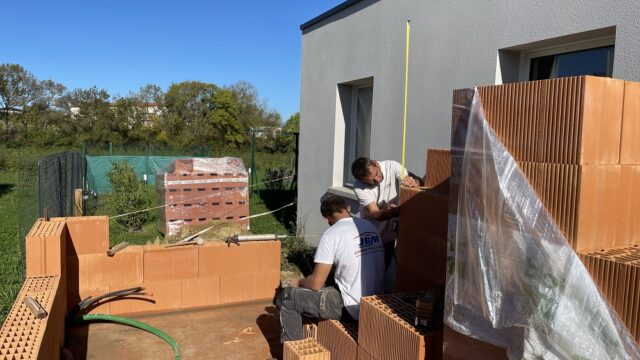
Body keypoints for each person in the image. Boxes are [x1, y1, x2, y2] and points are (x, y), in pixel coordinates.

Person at [276, 195, 385, 342]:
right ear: (348, 208)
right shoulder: (370, 227)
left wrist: (300, 282)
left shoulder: (331, 235)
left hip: (352, 309)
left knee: (286, 298)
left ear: (326, 219)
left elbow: (315, 284)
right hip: (377, 305)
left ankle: (292, 353)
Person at [351, 157, 419, 270]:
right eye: (371, 181)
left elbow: (409, 180)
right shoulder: (358, 186)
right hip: (371, 234)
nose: (377, 180)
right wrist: (391, 212)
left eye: (377, 174)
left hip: (390, 234)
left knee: (385, 265)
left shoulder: (392, 166)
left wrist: (413, 182)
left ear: (376, 164)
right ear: (362, 180)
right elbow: (375, 213)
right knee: (370, 269)